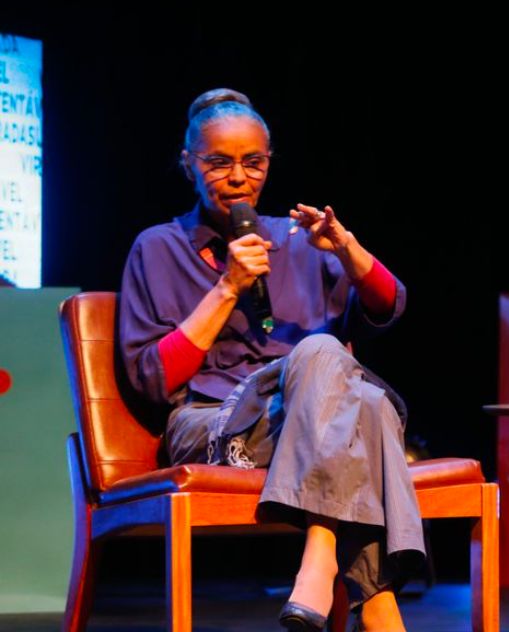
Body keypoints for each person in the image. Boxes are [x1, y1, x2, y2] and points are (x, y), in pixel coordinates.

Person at [118, 88, 419, 632]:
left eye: (253, 162)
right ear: (189, 164)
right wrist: (228, 287)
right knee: (346, 381)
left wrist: (347, 248)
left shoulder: (300, 241)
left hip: (304, 425)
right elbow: (153, 379)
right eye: (219, 162)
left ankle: (324, 556)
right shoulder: (158, 247)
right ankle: (375, 602)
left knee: (348, 384)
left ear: (269, 163)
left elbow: (387, 306)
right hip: (215, 424)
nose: (238, 177)